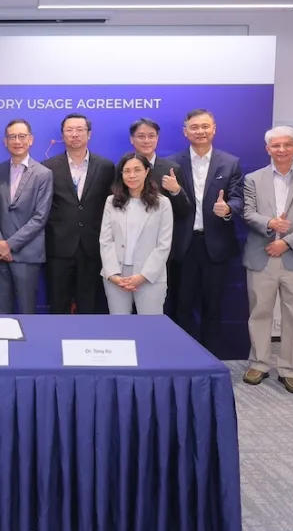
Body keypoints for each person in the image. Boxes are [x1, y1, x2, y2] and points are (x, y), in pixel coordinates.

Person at [241, 127, 293, 395]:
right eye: (275, 145)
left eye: (286, 145)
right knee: (259, 313)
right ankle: (259, 364)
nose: (281, 150)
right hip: (261, 254)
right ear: (267, 149)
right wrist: (270, 223)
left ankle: (289, 369)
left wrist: (286, 242)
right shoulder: (253, 178)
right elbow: (248, 212)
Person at [167, 109, 244, 355]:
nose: (200, 131)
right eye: (194, 127)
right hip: (183, 245)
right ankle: (183, 357)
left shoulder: (230, 162)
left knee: (213, 307)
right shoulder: (171, 163)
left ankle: (210, 357)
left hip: (216, 245)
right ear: (185, 131)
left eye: (205, 126)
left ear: (214, 129)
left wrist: (229, 208)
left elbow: (239, 199)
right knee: (182, 305)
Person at [43, 113, 116, 314]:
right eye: (69, 130)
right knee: (58, 304)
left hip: (92, 247)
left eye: (79, 130)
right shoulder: (47, 167)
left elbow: (112, 206)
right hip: (59, 247)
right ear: (63, 135)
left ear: (89, 134)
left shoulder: (106, 166)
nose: (74, 134)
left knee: (90, 304)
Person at [127, 118, 192, 314]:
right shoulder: (124, 167)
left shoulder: (172, 169)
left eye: (151, 136)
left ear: (157, 139)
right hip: (129, 249)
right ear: (132, 140)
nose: (146, 140)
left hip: (161, 250)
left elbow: (185, 211)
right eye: (141, 136)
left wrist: (176, 191)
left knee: (160, 305)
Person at [98, 153, 173, 315]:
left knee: (150, 329)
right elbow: (106, 240)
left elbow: (163, 245)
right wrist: (113, 274)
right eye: (127, 171)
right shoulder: (112, 202)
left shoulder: (162, 203)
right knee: (119, 329)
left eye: (137, 170)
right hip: (116, 276)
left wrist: (143, 276)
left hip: (150, 276)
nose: (132, 175)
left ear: (146, 172)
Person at [0, 118, 52, 314]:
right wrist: (1, 243)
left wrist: (11, 244)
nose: (17, 141)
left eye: (22, 136)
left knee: (27, 313)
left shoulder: (43, 174)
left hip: (27, 254)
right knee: (0, 313)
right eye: (12, 137)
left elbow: (40, 217)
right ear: (5, 141)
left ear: (31, 140)